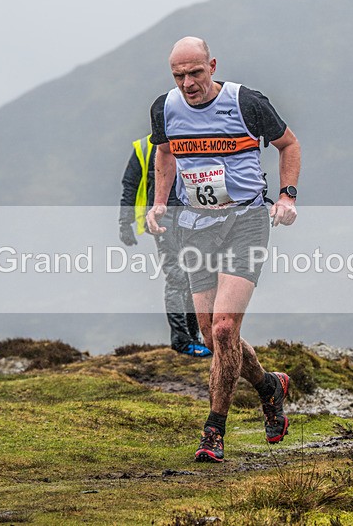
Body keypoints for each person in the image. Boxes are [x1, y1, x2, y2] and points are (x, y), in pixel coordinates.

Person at [146, 36, 301, 462]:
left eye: (195, 72)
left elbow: (289, 144)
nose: (188, 83)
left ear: (212, 66)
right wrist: (159, 202)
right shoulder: (165, 108)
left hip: (246, 220)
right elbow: (165, 155)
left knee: (224, 328)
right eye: (179, 75)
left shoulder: (246, 102)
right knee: (211, 335)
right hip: (197, 226)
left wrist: (287, 196)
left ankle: (213, 432)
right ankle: (270, 386)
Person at [119, 134, 212, 357]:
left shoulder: (196, 138)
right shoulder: (144, 146)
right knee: (177, 276)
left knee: (194, 276)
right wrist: (125, 222)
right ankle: (182, 341)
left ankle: (194, 337)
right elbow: (130, 184)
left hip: (196, 219)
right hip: (163, 221)